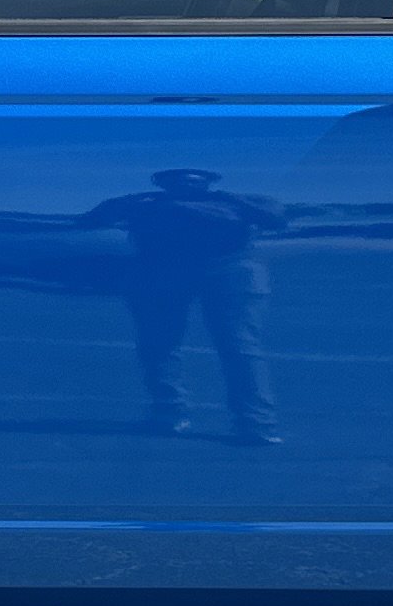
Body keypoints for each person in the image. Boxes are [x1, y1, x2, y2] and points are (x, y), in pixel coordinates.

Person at [83, 167, 283, 441]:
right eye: (176, 179)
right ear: (162, 184)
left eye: (194, 179)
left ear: (209, 183)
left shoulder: (235, 201)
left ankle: (256, 421)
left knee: (238, 344)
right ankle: (169, 412)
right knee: (160, 343)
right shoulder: (143, 204)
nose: (185, 183)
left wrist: (217, 203)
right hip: (161, 271)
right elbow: (92, 220)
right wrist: (129, 202)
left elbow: (276, 218)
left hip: (229, 268)